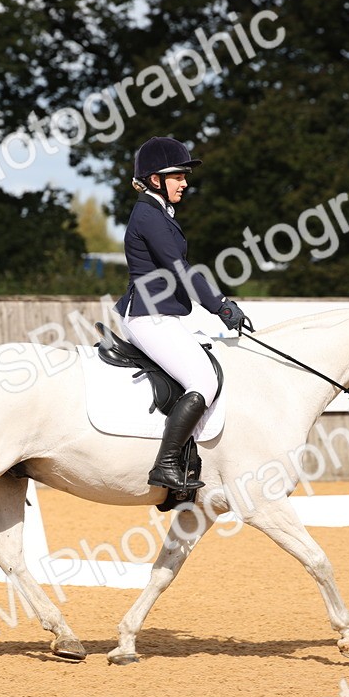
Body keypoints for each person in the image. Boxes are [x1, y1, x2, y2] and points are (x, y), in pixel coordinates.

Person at [114, 136, 249, 493]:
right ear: (156, 179)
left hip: (159, 315)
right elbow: (180, 269)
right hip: (148, 315)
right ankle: (167, 465)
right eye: (178, 176)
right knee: (204, 381)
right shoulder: (148, 214)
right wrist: (220, 305)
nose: (185, 183)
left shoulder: (157, 213)